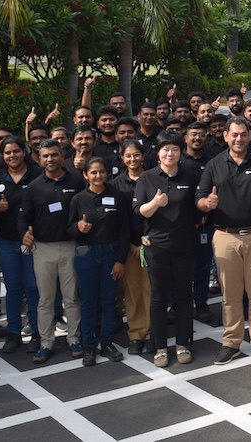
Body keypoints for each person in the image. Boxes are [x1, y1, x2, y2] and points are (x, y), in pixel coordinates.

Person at [197, 116, 251, 365]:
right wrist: (206, 203)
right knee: (230, 294)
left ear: (250, 136)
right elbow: (200, 198)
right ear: (225, 136)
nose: (238, 138)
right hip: (225, 236)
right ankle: (231, 342)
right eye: (234, 134)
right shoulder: (214, 165)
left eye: (243, 134)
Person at [134, 133, 201, 367]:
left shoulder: (191, 177)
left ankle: (183, 343)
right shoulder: (147, 178)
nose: (169, 153)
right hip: (157, 248)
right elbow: (139, 211)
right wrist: (154, 203)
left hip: (185, 247)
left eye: (174, 149)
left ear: (181, 152)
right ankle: (160, 347)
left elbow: (197, 212)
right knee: (159, 297)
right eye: (165, 149)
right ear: (157, 152)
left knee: (183, 296)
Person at [18, 139, 84, 364]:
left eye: (54, 154)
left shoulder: (76, 181)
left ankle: (74, 338)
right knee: (45, 300)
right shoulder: (34, 187)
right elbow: (23, 218)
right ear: (39, 159)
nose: (50, 159)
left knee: (71, 298)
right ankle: (46, 342)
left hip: (70, 246)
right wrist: (24, 234)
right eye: (45, 156)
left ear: (62, 155)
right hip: (43, 248)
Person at [68, 157, 129, 366]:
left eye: (101, 171)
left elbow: (124, 230)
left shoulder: (117, 196)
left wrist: (120, 260)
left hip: (110, 253)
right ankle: (89, 345)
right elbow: (68, 229)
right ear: (85, 175)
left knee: (108, 299)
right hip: (86, 253)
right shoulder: (78, 199)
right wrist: (77, 227)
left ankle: (107, 342)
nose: (98, 176)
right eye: (93, 172)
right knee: (88, 301)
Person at [0, 137, 42, 355]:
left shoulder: (37, 173)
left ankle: (37, 331)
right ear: (2, 155)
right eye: (7, 153)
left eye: (16, 151)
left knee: (33, 287)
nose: (12, 156)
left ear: (23, 151)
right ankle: (14, 332)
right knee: (13, 287)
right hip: (7, 240)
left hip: (32, 240)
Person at [112, 140, 151, 356]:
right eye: (128, 155)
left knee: (151, 290)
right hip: (128, 247)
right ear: (122, 158)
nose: (133, 159)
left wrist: (147, 240)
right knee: (133, 291)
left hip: (152, 244)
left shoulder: (153, 177)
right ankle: (136, 334)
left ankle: (152, 332)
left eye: (136, 155)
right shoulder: (116, 184)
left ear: (143, 156)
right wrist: (131, 244)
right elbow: (118, 220)